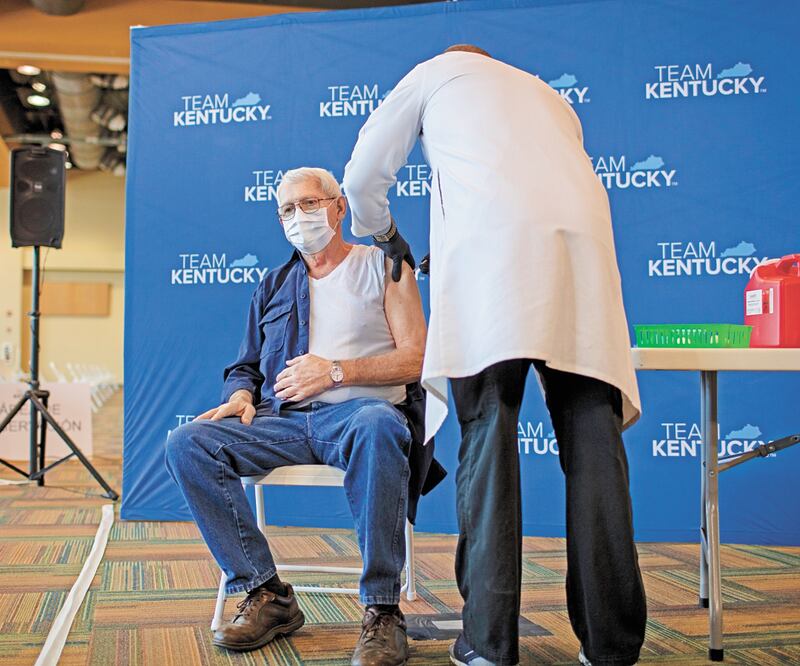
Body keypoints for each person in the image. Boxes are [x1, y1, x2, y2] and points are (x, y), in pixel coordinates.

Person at [343, 45, 647, 666]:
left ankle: (487, 642)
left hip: (494, 247)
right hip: (584, 244)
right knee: (594, 436)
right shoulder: (548, 95)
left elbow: (362, 176)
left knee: (488, 428)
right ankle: (613, 646)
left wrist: (383, 233)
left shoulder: (433, 72)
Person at [165, 167, 445, 665]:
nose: (300, 217)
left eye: (310, 204)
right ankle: (267, 593)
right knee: (187, 443)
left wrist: (334, 372)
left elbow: (418, 359)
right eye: (288, 210)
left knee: (381, 424)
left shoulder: (385, 266)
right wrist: (239, 396)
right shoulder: (273, 284)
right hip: (283, 421)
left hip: (361, 415)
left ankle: (382, 610)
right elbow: (244, 366)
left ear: (339, 208)